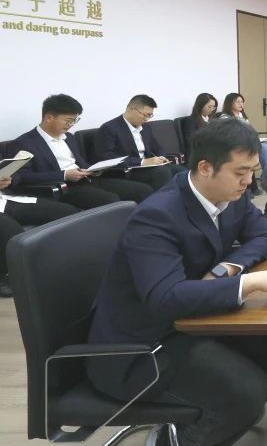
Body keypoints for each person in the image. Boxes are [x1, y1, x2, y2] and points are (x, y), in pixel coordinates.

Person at [86, 118, 267, 446]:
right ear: (205, 167)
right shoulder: (157, 216)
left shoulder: (231, 196)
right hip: (141, 349)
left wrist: (225, 270)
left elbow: (264, 235)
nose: (249, 182)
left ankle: (214, 424)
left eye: (252, 171)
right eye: (240, 172)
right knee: (244, 392)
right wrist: (248, 282)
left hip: (193, 321)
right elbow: (164, 298)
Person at [12, 94, 153, 208]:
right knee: (110, 199)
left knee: (143, 190)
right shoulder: (24, 143)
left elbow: (81, 162)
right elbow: (23, 177)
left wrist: (94, 169)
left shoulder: (69, 137)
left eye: (75, 120)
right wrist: (65, 175)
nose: (71, 125)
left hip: (87, 179)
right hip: (64, 187)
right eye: (68, 120)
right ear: (49, 118)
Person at [0, 174, 79, 297]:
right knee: (14, 234)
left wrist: (9, 179)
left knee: (67, 212)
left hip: (5, 199)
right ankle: (6, 276)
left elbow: (18, 175)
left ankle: (66, 263)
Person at [95, 94, 176, 191]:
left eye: (150, 115)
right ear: (131, 109)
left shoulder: (146, 127)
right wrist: (142, 162)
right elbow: (107, 157)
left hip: (148, 166)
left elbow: (157, 147)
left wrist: (162, 157)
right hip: (127, 170)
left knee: (181, 171)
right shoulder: (109, 128)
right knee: (162, 173)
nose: (146, 119)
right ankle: (163, 200)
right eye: (145, 115)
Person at [219, 92, 267, 195]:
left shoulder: (242, 116)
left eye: (242, 102)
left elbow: (250, 131)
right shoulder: (225, 118)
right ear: (230, 103)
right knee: (265, 148)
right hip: (237, 144)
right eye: (238, 102)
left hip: (248, 141)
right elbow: (231, 135)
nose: (241, 104)